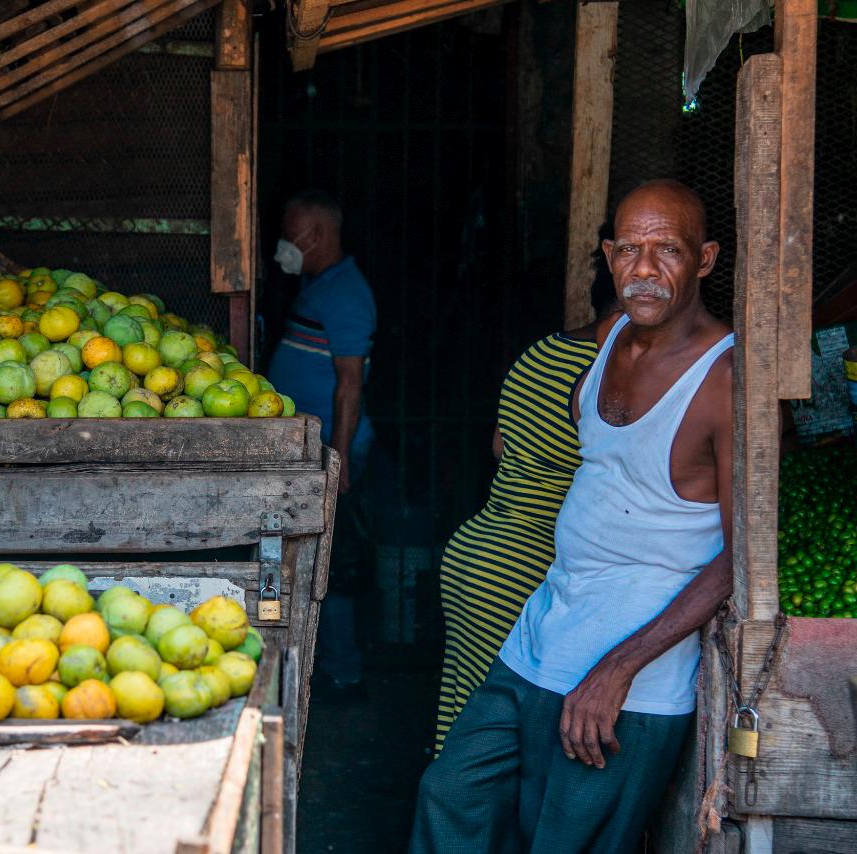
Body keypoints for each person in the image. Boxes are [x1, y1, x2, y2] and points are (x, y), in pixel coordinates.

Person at [410, 179, 734, 852]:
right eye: (630, 250)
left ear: (704, 260)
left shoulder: (726, 381)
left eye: (667, 250)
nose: (644, 270)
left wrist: (618, 669)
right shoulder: (612, 334)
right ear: (609, 254)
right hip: (539, 639)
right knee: (451, 794)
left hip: (630, 680)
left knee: (564, 841)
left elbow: (746, 558)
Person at [434, 238, 620, 755]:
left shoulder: (543, 351)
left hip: (478, 554)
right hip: (525, 575)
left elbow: (500, 444)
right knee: (498, 754)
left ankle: (449, 828)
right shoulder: (612, 375)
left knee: (462, 731)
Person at [266, 190, 377, 693]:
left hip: (330, 451)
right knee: (308, 556)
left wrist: (340, 459)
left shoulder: (347, 294)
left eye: (290, 236)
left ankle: (343, 671)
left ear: (317, 235)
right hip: (309, 447)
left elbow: (350, 382)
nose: (283, 246)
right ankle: (320, 665)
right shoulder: (320, 284)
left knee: (329, 562)